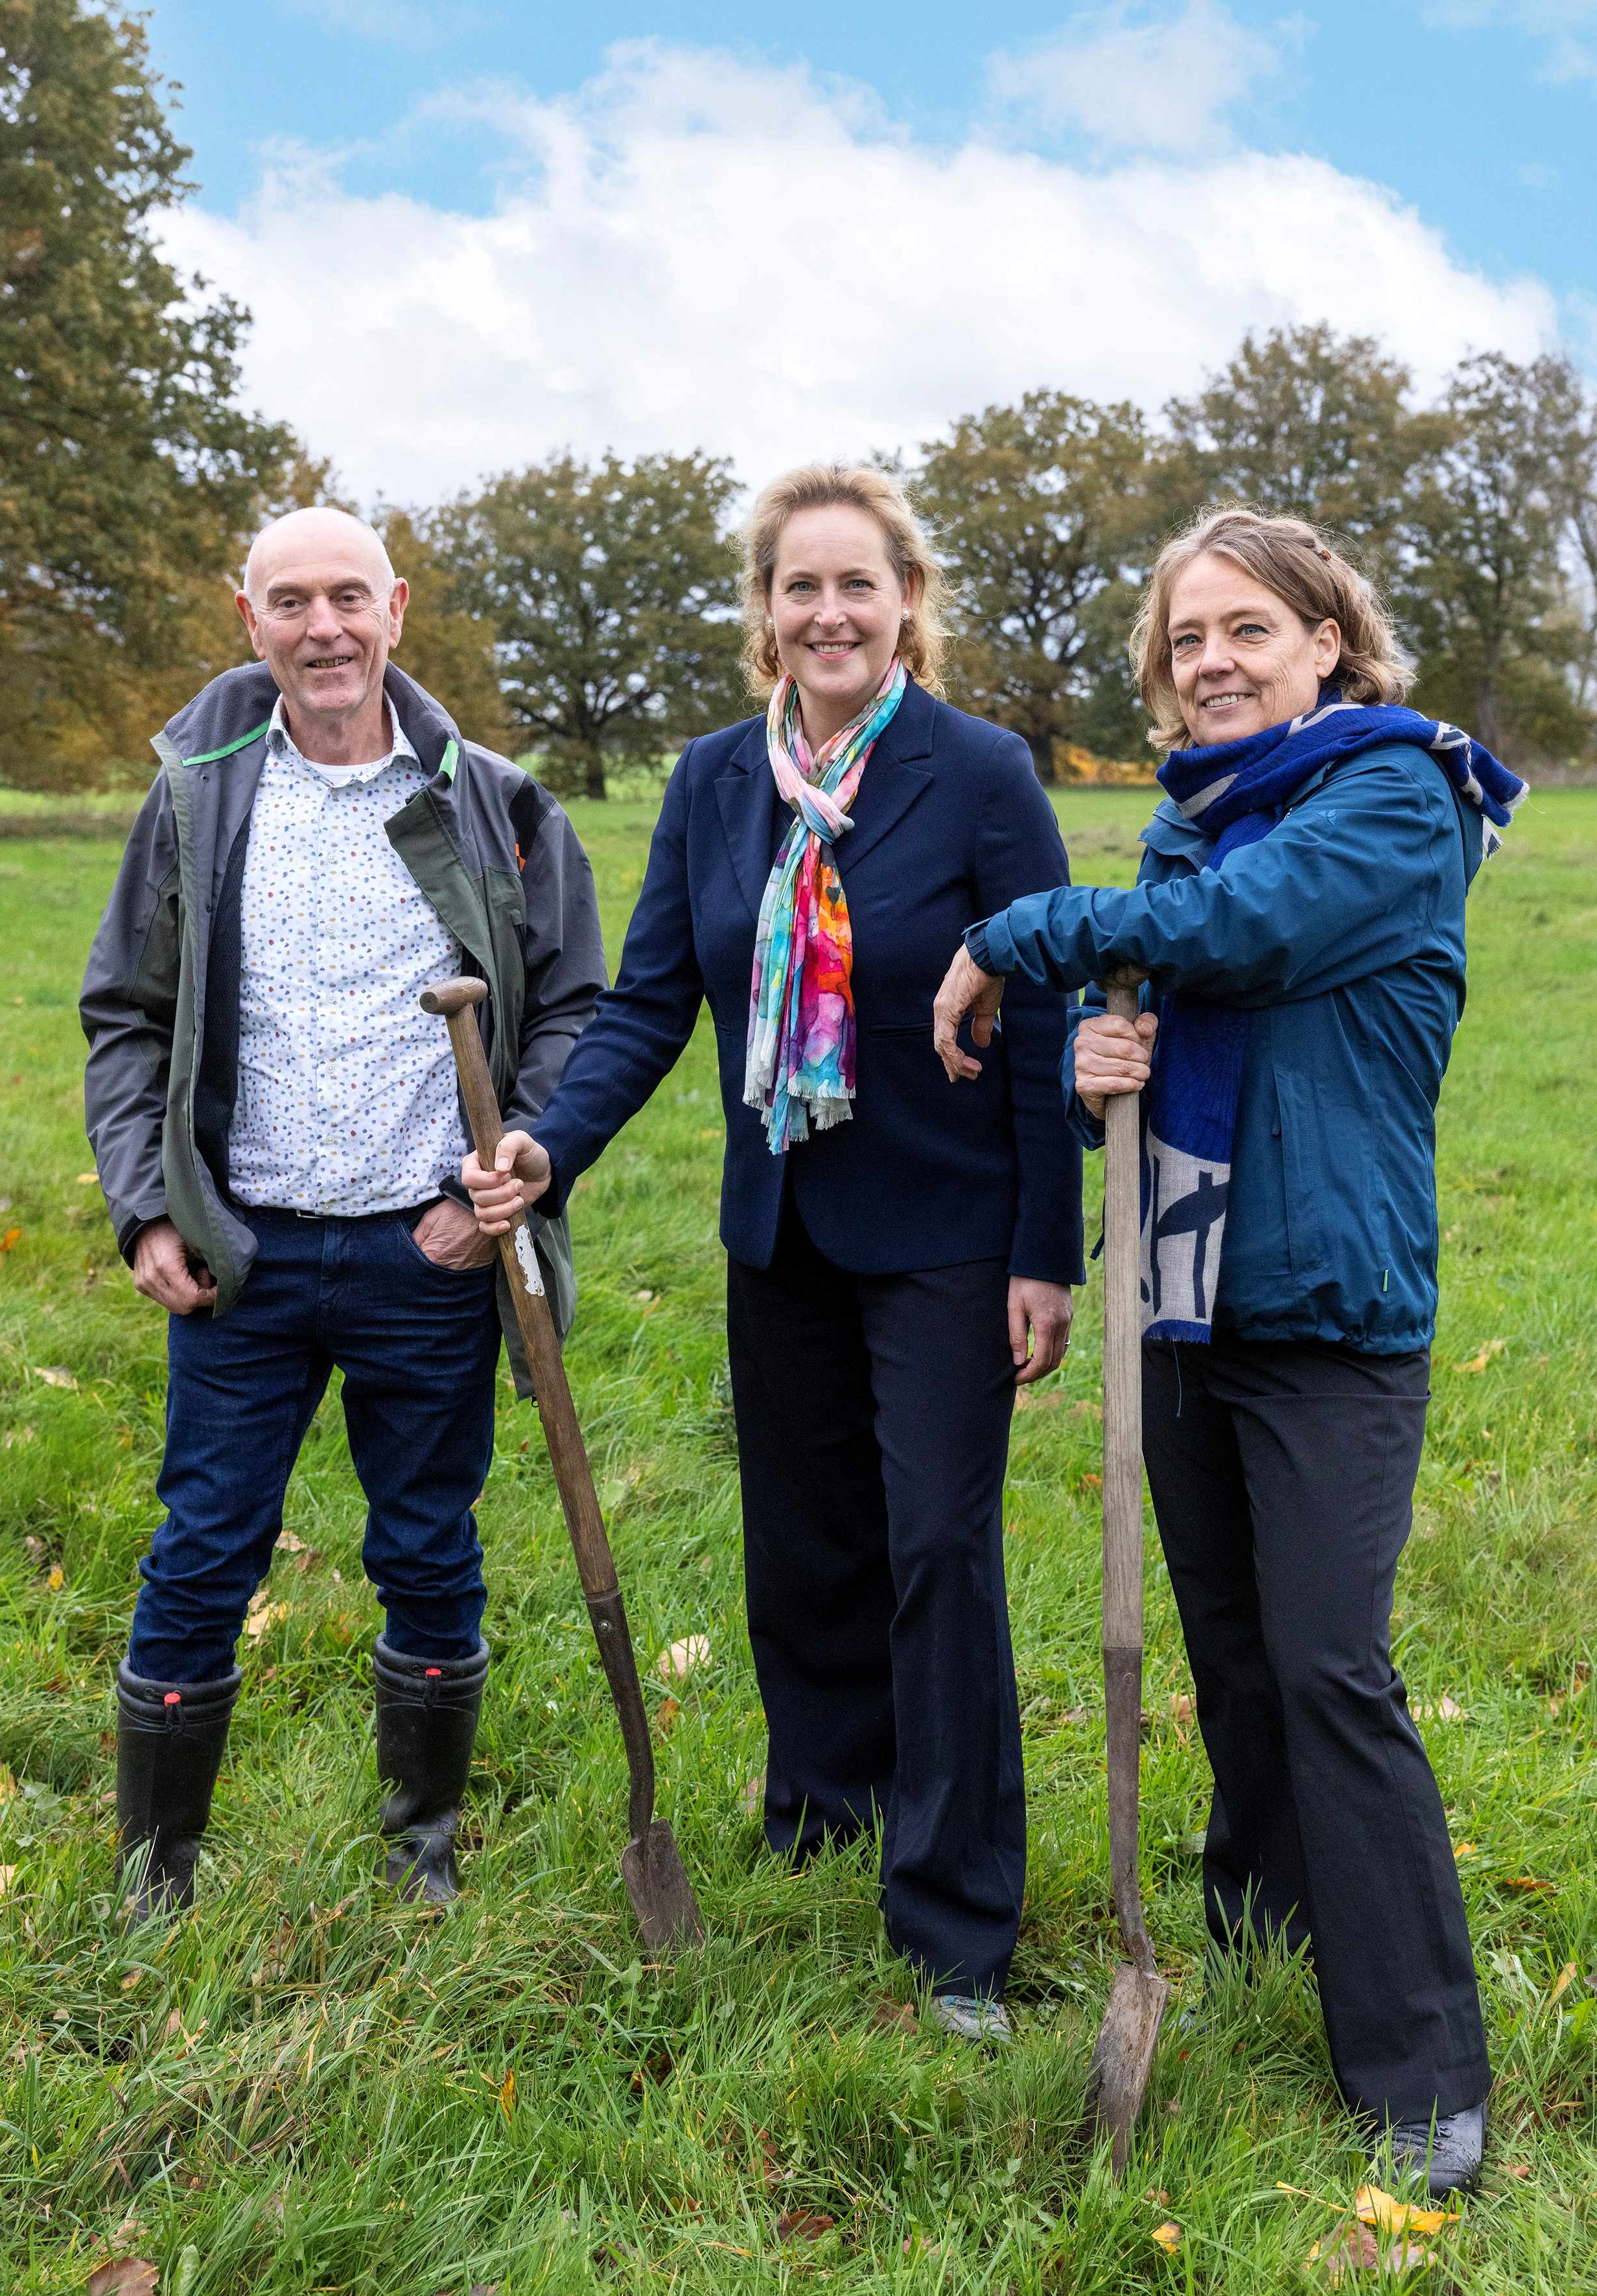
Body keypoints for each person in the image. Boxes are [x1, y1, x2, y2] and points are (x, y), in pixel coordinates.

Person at [933, 505, 1519, 2188]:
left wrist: (1009, 938)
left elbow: (1235, 943)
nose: (1210, 662)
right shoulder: (1190, 832)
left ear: (1325, 639)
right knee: (1234, 1655)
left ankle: (1416, 2063)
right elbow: (1163, 1010)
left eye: (1243, 628)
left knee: (1332, 1666)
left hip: (1329, 1312)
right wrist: (1086, 1068)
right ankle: (1262, 1923)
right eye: (1183, 641)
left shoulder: (1394, 795)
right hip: (1175, 1298)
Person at [462, 463, 1083, 2037]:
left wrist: (1044, 1249)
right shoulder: (715, 782)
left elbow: (1042, 1019)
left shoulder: (982, 773)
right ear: (765, 614)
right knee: (805, 1540)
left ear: (905, 602)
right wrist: (548, 1147)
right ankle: (822, 1809)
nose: (828, 612)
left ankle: (957, 1924)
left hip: (947, 1228)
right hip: (783, 1219)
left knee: (939, 1549)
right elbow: (652, 998)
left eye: (856, 584)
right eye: (799, 587)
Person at [80, 507, 605, 1914]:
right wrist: (149, 1209)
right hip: (238, 1254)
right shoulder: (197, 797)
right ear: (247, 616)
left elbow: (569, 1010)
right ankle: (157, 1868)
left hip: (424, 1252)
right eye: (292, 601)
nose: (325, 628)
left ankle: (420, 1844)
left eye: (349, 599)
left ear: (397, 608)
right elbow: (126, 1016)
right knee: (200, 1547)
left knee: (429, 1544)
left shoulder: (490, 799)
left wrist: (510, 1169)